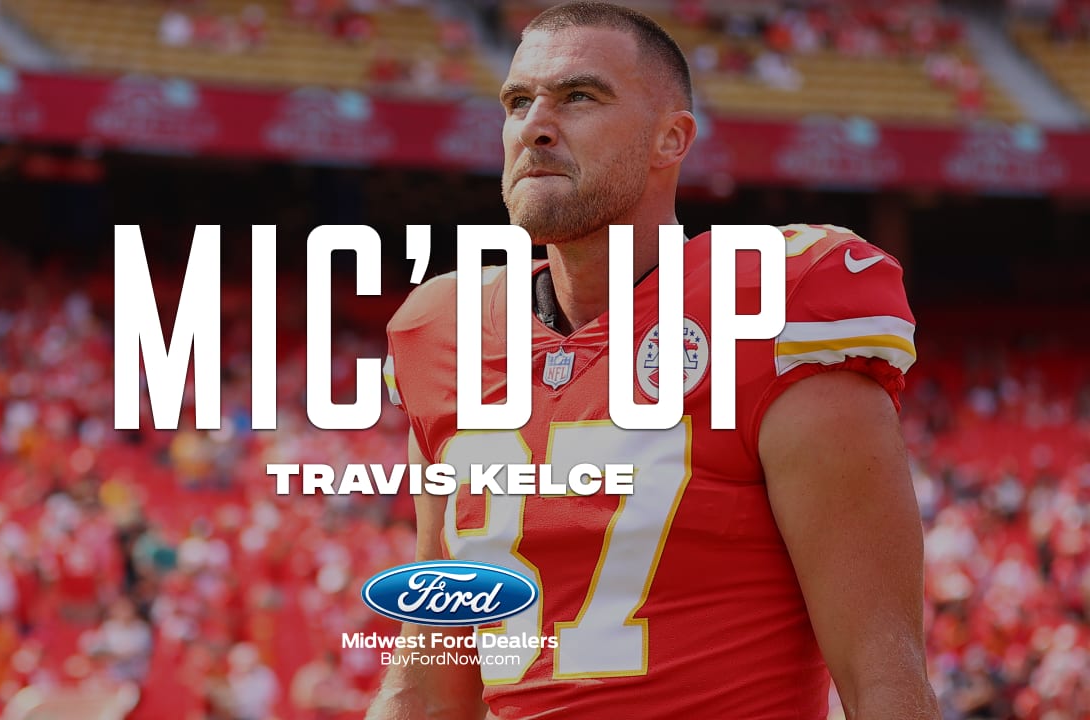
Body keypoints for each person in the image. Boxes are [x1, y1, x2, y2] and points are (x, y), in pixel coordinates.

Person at [370, 2, 939, 719]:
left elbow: (882, 680)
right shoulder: (442, 331)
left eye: (579, 96)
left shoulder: (778, 309)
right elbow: (429, 680)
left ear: (671, 138)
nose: (535, 125)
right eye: (517, 101)